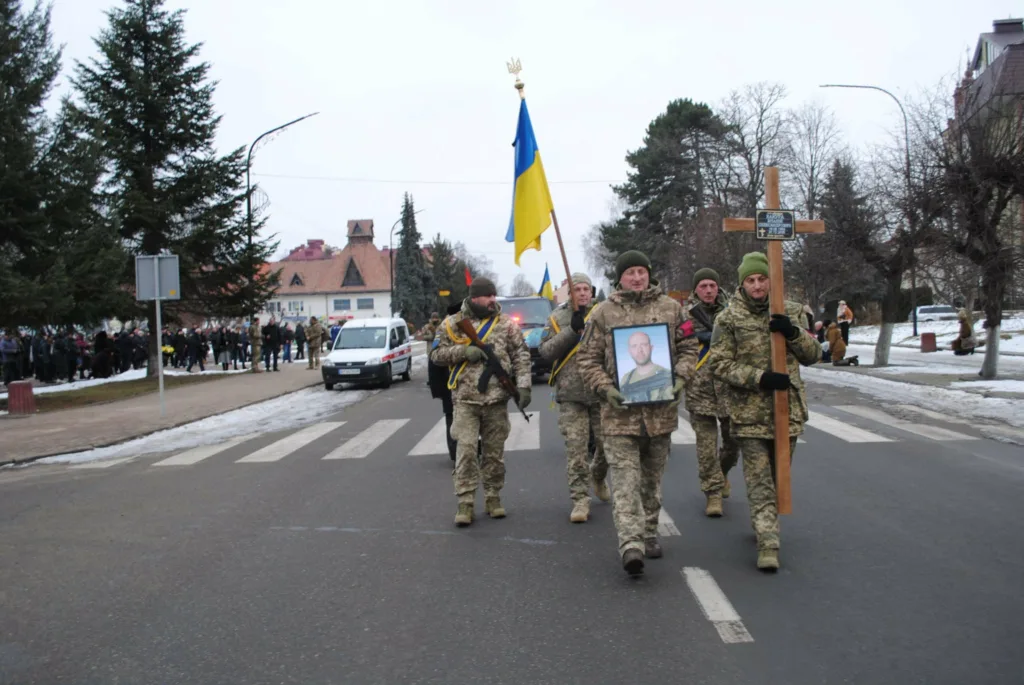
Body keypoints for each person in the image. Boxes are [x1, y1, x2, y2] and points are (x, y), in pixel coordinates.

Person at [577, 250, 698, 577]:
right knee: (626, 482)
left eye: (641, 271)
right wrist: (606, 389)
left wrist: (682, 379)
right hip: (619, 417)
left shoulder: (672, 309)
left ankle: (649, 531)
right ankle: (630, 544)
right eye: (629, 272)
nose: (636, 277)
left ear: (649, 273)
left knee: (651, 482)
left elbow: (690, 348)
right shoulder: (603, 313)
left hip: (660, 414)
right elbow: (586, 360)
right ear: (620, 277)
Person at [709, 252, 822, 571]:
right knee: (759, 480)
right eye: (750, 280)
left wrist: (793, 333)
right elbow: (718, 364)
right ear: (742, 283)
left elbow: (814, 355)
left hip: (788, 412)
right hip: (750, 413)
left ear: (771, 280)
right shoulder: (729, 318)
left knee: (777, 477)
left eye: (762, 279)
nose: (757, 285)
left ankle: (763, 521)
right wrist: (759, 378)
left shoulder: (792, 310)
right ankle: (768, 543)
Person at [431, 277, 532, 527]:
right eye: (488, 296)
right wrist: (463, 352)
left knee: (494, 454)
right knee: (465, 452)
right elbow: (436, 355)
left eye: (494, 296)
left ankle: (493, 497)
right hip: (465, 400)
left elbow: (521, 355)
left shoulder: (506, 324)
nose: (492, 300)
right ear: (475, 297)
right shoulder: (452, 324)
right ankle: (465, 502)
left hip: (497, 400)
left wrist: (524, 386)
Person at [539, 272, 610, 523]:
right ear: (569, 293)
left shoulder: (604, 313)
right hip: (571, 394)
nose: (582, 293)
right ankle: (580, 499)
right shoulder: (557, 318)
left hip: (601, 391)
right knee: (576, 450)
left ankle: (599, 475)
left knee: (606, 446)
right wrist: (571, 331)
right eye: (577, 289)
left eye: (586, 289)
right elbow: (545, 351)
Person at [683, 268, 739, 517]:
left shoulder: (732, 312)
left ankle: (722, 473)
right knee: (705, 449)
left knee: (733, 444)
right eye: (703, 286)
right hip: (699, 391)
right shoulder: (685, 315)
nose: (708, 290)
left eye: (712, 286)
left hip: (729, 390)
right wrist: (700, 336)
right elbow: (679, 340)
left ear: (718, 288)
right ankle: (713, 494)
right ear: (696, 289)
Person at [428, 303, 465, 461]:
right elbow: (434, 360)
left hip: (459, 385)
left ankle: (465, 450)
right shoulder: (444, 330)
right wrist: (438, 389)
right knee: (451, 418)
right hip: (448, 383)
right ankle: (455, 452)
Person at [618, 331, 675, 403]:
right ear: (630, 351)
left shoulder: (667, 376)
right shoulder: (625, 379)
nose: (640, 350)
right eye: (634, 346)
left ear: (651, 348)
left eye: (644, 345)